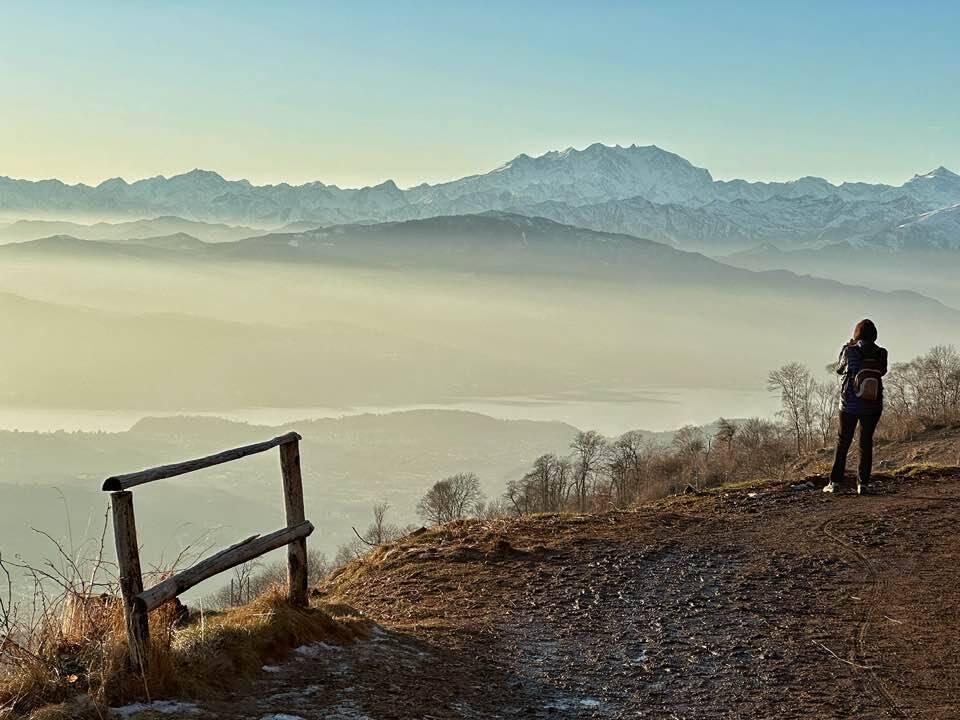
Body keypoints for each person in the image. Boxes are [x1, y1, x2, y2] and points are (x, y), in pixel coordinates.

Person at [824, 319, 887, 495]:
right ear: (874, 335)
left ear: (856, 334)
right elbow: (882, 371)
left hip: (849, 404)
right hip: (873, 404)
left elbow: (839, 369)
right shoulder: (881, 353)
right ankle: (863, 485)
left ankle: (835, 482)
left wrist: (847, 347)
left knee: (843, 441)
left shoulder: (850, 351)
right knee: (865, 443)